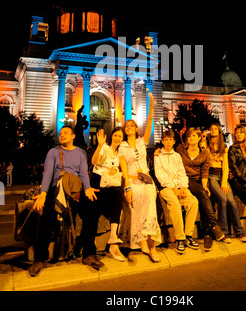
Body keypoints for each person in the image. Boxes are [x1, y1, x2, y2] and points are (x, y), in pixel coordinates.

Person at [28, 126, 100, 277]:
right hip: (57, 189)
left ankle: (89, 254)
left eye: (66, 133)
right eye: (61, 134)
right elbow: (47, 174)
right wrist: (43, 194)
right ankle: (40, 258)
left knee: (91, 211)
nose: (62, 135)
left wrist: (87, 188)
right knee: (47, 216)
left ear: (73, 136)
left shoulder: (81, 153)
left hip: (75, 190)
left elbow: (83, 173)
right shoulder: (53, 152)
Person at [118, 89, 161, 263]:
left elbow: (150, 121)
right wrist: (128, 184)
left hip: (146, 181)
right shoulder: (121, 146)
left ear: (136, 129)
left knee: (150, 200)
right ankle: (140, 240)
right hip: (131, 182)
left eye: (132, 125)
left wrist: (151, 105)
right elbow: (121, 167)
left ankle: (152, 245)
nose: (129, 127)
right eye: (126, 126)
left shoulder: (143, 142)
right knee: (134, 202)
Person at [80, 127, 132, 262]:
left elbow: (122, 171)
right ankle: (90, 252)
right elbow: (94, 161)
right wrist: (100, 145)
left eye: (120, 136)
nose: (117, 138)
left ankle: (113, 237)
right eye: (115, 135)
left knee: (118, 195)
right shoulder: (104, 147)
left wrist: (115, 171)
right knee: (93, 213)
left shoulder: (118, 154)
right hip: (97, 183)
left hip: (110, 185)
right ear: (111, 136)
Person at [176, 127, 225, 251]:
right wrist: (158, 150)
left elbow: (204, 171)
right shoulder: (180, 150)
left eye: (194, 136)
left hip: (199, 180)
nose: (191, 138)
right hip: (185, 179)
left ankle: (207, 234)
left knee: (205, 198)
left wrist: (204, 185)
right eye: (189, 136)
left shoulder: (204, 153)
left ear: (199, 138)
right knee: (203, 195)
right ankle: (214, 226)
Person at [154, 130, 199, 254]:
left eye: (170, 140)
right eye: (166, 140)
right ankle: (180, 237)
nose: (168, 142)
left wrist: (183, 187)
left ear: (174, 142)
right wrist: (173, 188)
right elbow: (160, 175)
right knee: (174, 203)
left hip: (180, 186)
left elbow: (181, 172)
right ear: (162, 141)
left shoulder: (177, 156)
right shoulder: (158, 156)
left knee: (193, 202)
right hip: (166, 187)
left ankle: (188, 235)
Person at [207, 124, 246, 243]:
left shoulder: (224, 147)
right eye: (211, 129)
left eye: (215, 128)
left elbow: (225, 166)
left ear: (219, 131)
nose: (213, 130)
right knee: (222, 199)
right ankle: (224, 232)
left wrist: (224, 181)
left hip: (221, 177)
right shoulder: (205, 145)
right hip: (211, 177)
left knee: (231, 202)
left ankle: (239, 231)